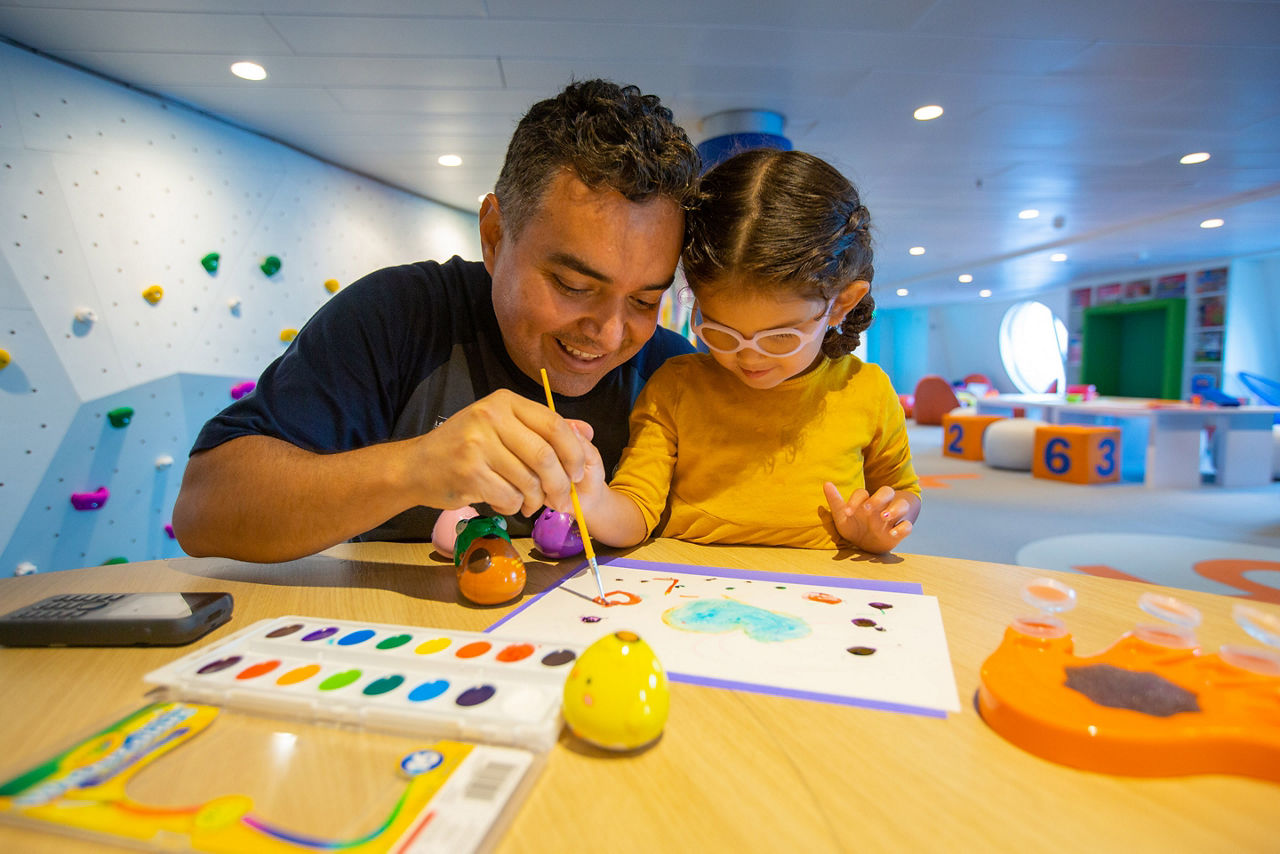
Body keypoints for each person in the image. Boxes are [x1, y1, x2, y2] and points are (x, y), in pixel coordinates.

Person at [172, 80, 701, 562]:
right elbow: (203, 512)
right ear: (494, 236)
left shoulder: (675, 377)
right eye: (574, 287)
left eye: (644, 301)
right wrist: (413, 469)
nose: (608, 335)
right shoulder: (399, 315)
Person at [574, 148, 921, 553]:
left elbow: (902, 492)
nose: (750, 358)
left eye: (780, 337)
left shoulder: (868, 392)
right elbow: (636, 511)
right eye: (721, 333)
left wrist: (884, 521)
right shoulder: (677, 386)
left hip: (822, 598)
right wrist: (593, 499)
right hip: (685, 593)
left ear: (840, 304)